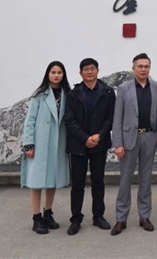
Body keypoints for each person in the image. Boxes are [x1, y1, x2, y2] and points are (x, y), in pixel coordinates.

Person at [111, 53, 157, 235]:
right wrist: (118, 143)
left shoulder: (156, 88)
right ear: (133, 68)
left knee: (146, 179)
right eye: (140, 66)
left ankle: (144, 216)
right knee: (125, 180)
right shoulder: (124, 88)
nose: (143, 69)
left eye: (146, 66)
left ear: (150, 68)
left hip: (149, 137)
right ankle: (121, 218)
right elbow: (117, 117)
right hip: (128, 140)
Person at [64, 58, 116, 235]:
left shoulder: (108, 92)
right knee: (77, 184)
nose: (89, 72)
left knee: (98, 182)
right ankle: (76, 219)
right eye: (85, 69)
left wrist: (99, 135)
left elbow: (111, 117)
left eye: (92, 68)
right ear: (80, 73)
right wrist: (85, 138)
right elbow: (69, 120)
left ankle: (98, 216)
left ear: (97, 71)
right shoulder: (73, 94)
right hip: (78, 145)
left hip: (99, 144)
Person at [21, 61, 72, 234]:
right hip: (40, 143)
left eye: (59, 72)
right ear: (48, 75)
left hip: (58, 143)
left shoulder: (67, 95)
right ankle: (36, 218)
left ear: (63, 75)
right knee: (36, 182)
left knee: (52, 180)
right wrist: (29, 144)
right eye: (53, 72)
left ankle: (48, 213)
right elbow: (30, 121)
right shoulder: (39, 95)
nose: (56, 75)